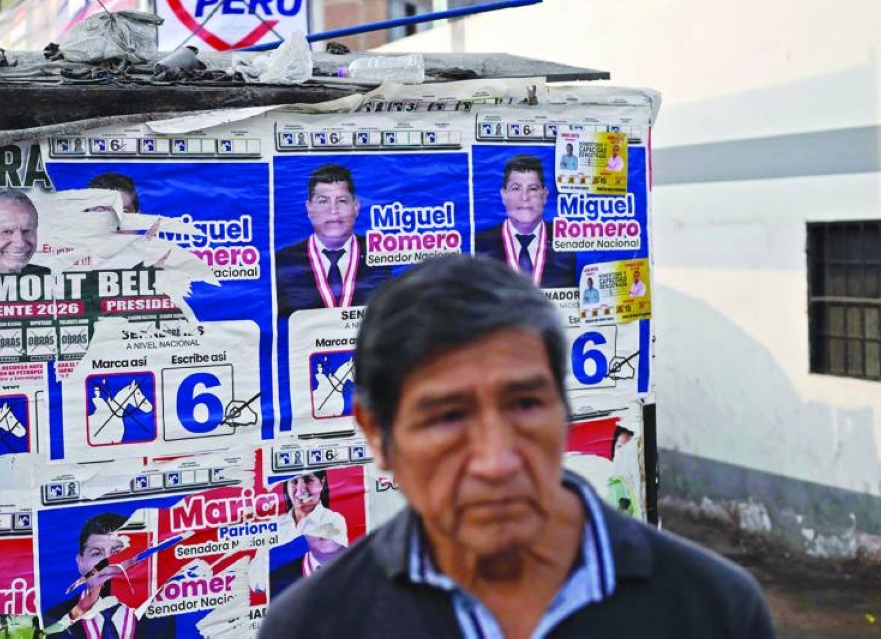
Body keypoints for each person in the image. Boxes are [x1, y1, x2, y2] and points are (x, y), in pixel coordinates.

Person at [260, 256, 774, 639]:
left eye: (525, 404)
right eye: (447, 417)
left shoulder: (713, 609)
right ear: (377, 435)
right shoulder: (313, 627)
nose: (496, 460)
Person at [275, 164, 392, 317]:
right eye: (323, 201)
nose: (333, 210)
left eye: (342, 201)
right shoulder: (284, 262)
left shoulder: (382, 255)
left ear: (356, 207)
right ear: (309, 208)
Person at [474, 154, 577, 289]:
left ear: (544, 195)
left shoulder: (567, 241)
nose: (524, 197)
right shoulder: (481, 244)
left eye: (532, 188)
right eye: (516, 188)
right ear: (504, 196)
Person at [42, 513, 137, 638]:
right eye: (97, 553)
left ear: (135, 559)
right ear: (80, 563)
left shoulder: (163, 614)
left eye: (117, 552)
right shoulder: (51, 620)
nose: (107, 563)